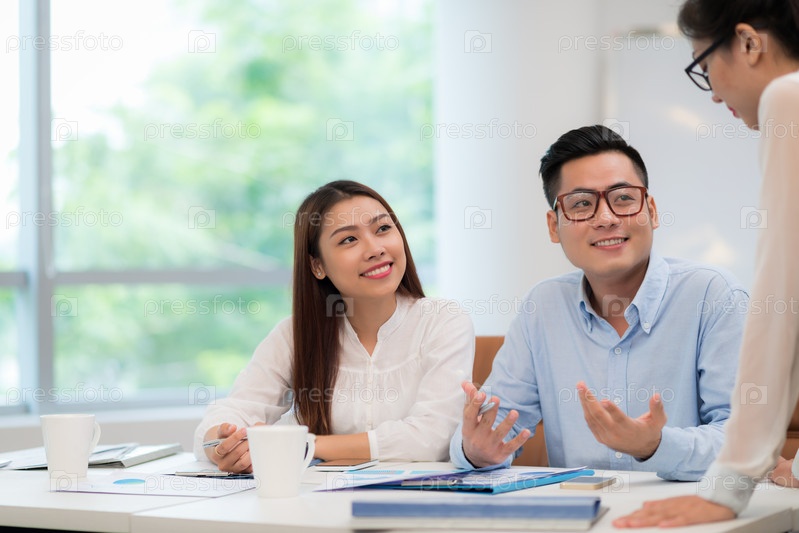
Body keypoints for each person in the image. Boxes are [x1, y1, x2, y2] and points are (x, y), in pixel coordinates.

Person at [449, 125, 748, 481]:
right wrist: (476, 451)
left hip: (688, 508)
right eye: (581, 204)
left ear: (651, 210)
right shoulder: (543, 307)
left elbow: (745, 439)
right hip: (576, 509)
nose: (606, 218)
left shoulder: (713, 296)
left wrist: (656, 445)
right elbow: (498, 423)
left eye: (623, 198)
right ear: (554, 226)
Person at [614, 0, 799, 527]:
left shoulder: (789, 96)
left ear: (748, 42)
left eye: (704, 66)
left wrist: (728, 486)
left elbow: (780, 300)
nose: (714, 93)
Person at [195, 180, 474, 473]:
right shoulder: (294, 335)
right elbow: (232, 412)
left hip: (421, 497)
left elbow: (432, 438)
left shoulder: (443, 321)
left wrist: (304, 446)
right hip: (316, 497)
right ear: (318, 266)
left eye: (382, 228)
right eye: (349, 240)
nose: (375, 249)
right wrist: (225, 445)